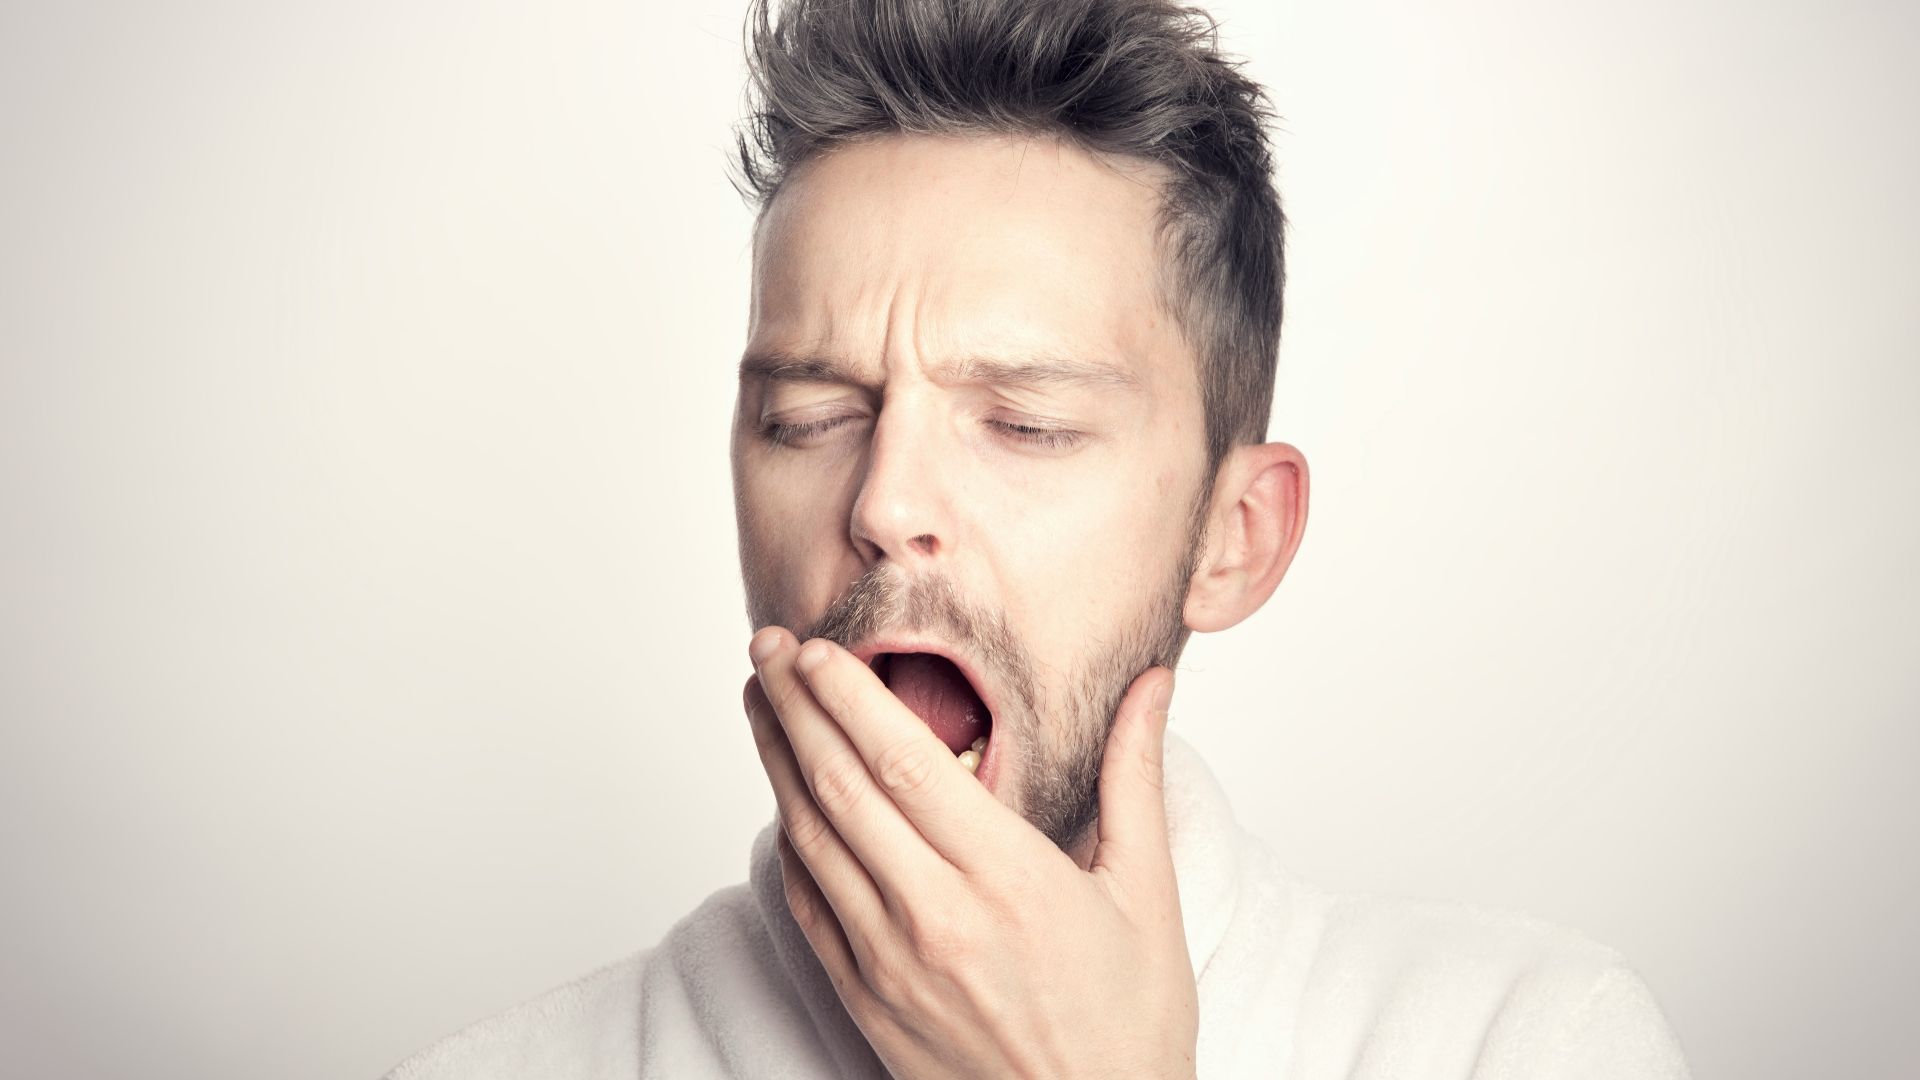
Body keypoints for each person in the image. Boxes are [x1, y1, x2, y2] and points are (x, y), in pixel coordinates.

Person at [388, 0, 1691, 1076]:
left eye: (1023, 423)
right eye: (808, 414)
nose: (887, 502)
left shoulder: (1523, 1042)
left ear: (1232, 539)